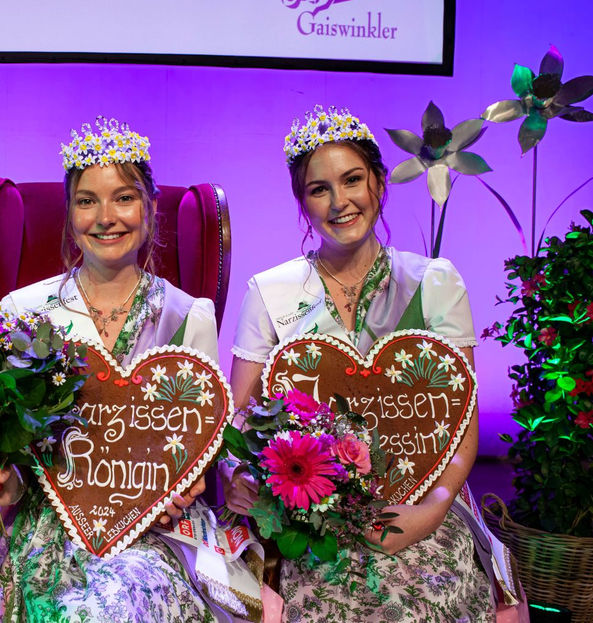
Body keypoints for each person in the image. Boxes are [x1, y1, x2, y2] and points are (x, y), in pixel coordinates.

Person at [0, 118, 272, 623]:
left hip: (155, 530)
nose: (106, 217)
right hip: (48, 525)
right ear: (69, 215)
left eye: (123, 197)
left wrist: (183, 488)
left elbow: (198, 446)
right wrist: (4, 483)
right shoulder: (23, 311)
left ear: (149, 208)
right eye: (86, 201)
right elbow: (9, 447)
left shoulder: (190, 316)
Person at [222, 106, 522, 622]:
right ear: (303, 204)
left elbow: (463, 428)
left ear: (379, 183)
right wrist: (237, 476)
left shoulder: (435, 284)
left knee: (428, 597)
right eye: (319, 189)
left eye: (353, 180)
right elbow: (239, 423)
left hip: (420, 498)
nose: (340, 202)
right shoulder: (269, 293)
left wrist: (431, 510)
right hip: (308, 516)